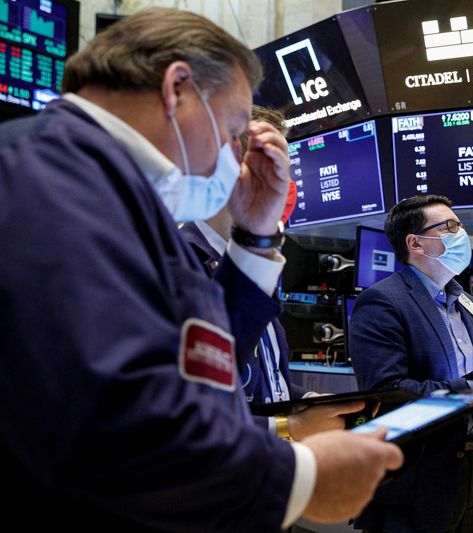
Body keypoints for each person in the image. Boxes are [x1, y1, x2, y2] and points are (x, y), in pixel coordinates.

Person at [0, 8, 401, 531]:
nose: (236, 160)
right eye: (234, 130)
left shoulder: (116, 194)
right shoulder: (48, 176)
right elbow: (111, 420)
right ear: (177, 88)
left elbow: (200, 371)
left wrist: (256, 239)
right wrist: (298, 479)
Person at [349, 194, 473, 533]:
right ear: (415, 242)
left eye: (459, 225)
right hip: (413, 484)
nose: (461, 233)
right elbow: (387, 394)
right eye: (449, 227)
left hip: (472, 471)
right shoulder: (382, 302)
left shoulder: (469, 304)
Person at [180, 105, 359, 440]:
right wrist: (286, 428)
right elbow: (184, 402)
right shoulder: (179, 260)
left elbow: (268, 381)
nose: (286, 184)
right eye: (272, 166)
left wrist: (306, 400)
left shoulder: (259, 268)